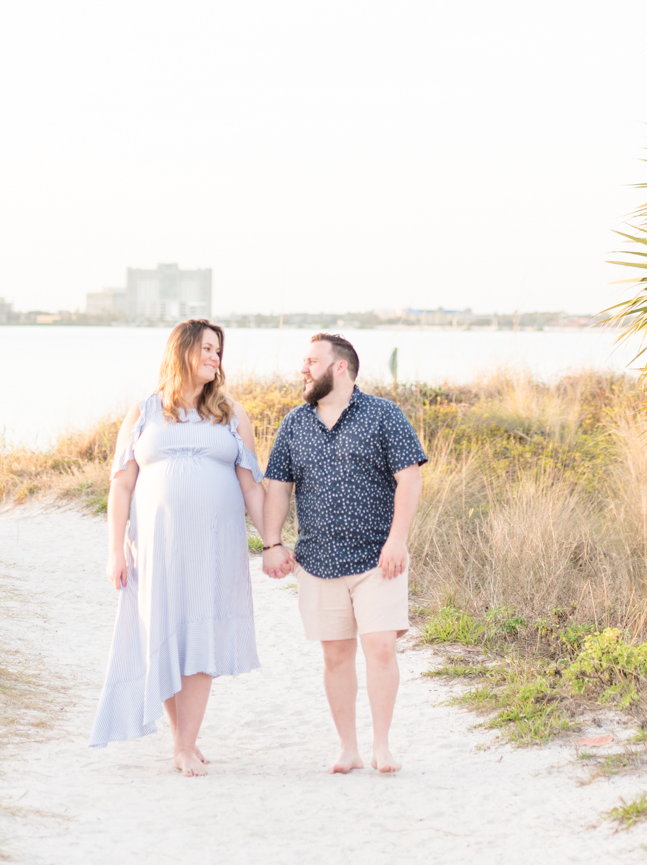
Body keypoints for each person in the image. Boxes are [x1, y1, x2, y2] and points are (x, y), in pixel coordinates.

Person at [89, 320, 266, 775]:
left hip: (213, 546)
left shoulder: (232, 413)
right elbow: (121, 487)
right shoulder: (144, 412)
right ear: (182, 350)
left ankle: (185, 743)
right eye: (207, 348)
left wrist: (274, 543)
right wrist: (114, 550)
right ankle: (181, 741)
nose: (215, 357)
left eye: (219, 351)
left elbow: (251, 487)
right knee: (164, 635)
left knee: (200, 635)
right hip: (155, 546)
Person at [261, 332, 426, 773]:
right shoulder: (295, 423)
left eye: (311, 361)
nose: (303, 369)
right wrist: (272, 543)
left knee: (380, 649)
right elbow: (278, 486)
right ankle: (348, 748)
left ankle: (382, 746)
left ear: (339, 367)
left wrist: (398, 539)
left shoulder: (383, 415)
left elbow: (409, 478)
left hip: (378, 559)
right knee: (335, 656)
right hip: (317, 561)